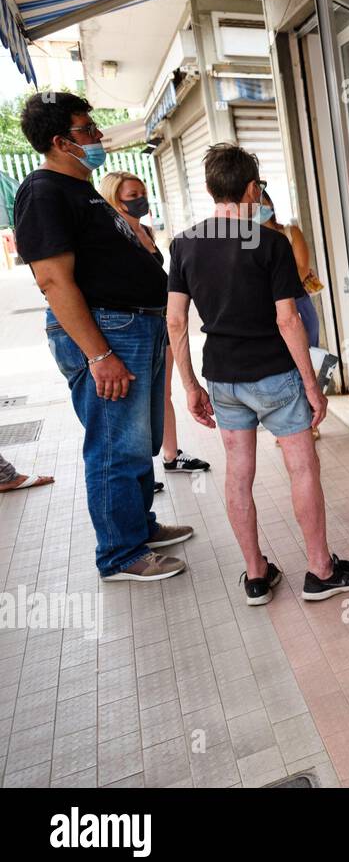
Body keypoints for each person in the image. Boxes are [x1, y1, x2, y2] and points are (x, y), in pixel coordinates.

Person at [167, 143, 349, 605]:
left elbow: (176, 321)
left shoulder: (183, 244)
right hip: (276, 374)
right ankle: (320, 571)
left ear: (208, 188)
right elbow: (288, 320)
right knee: (302, 466)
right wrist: (310, 383)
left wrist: (189, 386)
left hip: (222, 378)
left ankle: (256, 575)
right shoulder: (270, 242)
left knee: (238, 474)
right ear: (252, 189)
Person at [13, 92, 192, 583]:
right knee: (114, 445)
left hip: (135, 326)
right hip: (109, 333)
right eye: (86, 131)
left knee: (137, 442)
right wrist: (98, 354)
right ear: (59, 142)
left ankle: (139, 528)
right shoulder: (44, 192)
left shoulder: (84, 190)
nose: (97, 138)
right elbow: (52, 281)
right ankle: (120, 553)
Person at [98, 170, 211, 483]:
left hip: (162, 323)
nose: (140, 201)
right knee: (138, 400)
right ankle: (139, 471)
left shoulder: (146, 230)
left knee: (163, 393)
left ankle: (172, 456)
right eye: (131, 196)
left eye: (142, 193)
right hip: (134, 327)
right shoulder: (113, 237)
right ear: (113, 200)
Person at [257, 186, 321, 348]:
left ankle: (320, 373)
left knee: (311, 350)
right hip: (268, 309)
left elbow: (302, 268)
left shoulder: (291, 233)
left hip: (298, 302)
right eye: (253, 206)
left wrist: (278, 293)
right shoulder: (251, 243)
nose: (258, 209)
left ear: (270, 204)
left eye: (261, 204)